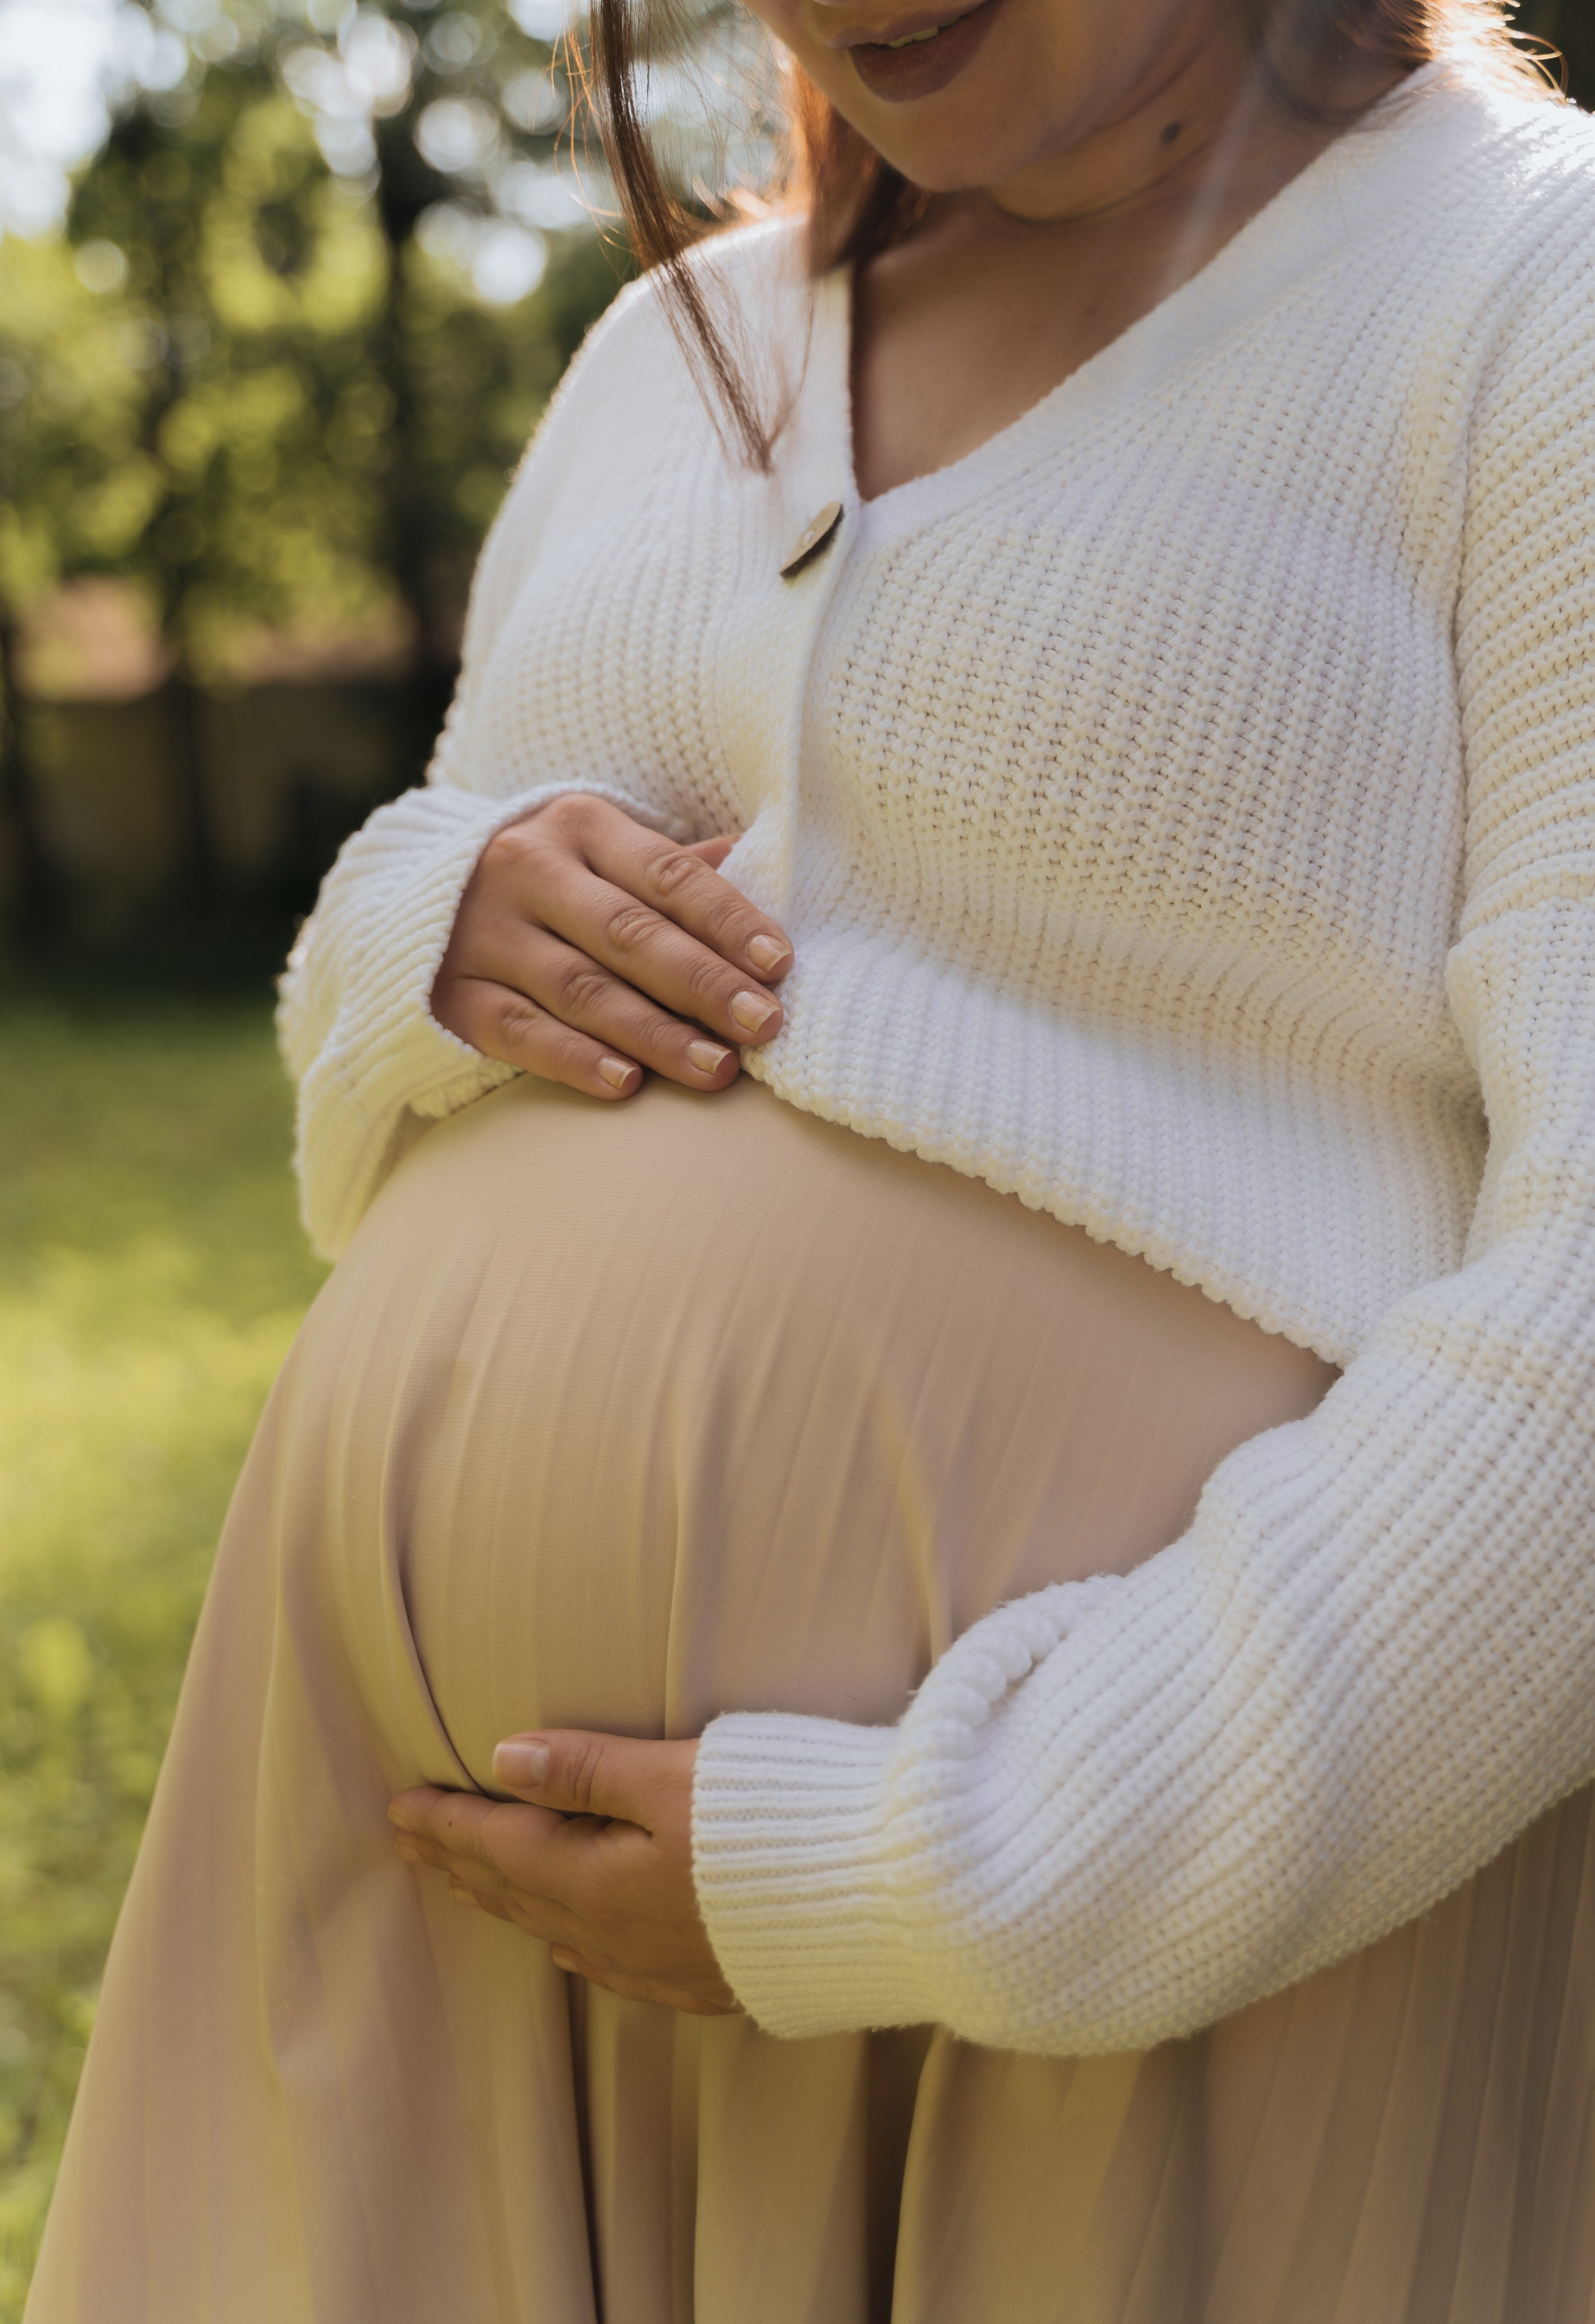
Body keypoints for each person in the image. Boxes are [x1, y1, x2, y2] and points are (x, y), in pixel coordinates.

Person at [26, 0, 1595, 2312]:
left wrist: (958, 1862)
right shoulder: (676, 350)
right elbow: (380, 1066)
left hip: (1165, 1956)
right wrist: (433, 923)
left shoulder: (1524, 299)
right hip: (464, 1950)